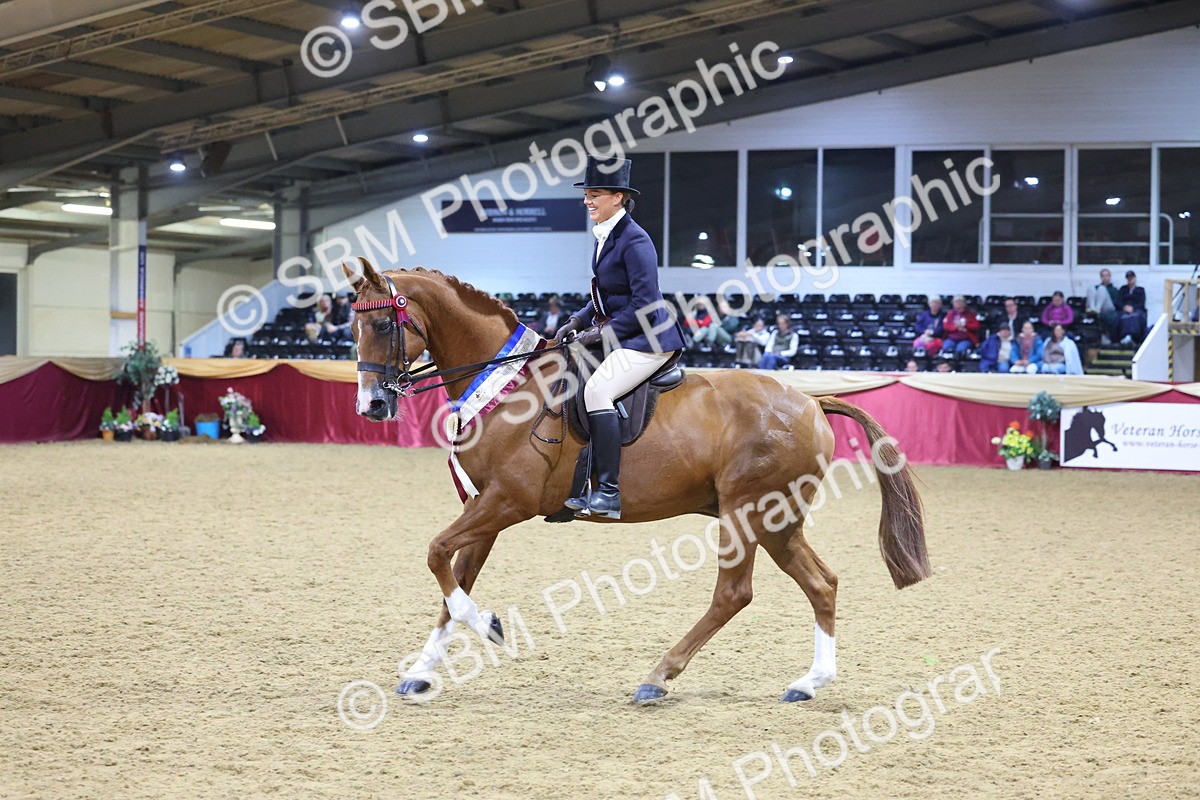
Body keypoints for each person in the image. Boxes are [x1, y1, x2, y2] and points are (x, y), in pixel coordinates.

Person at [553, 156, 688, 520]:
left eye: (594, 194)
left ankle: (609, 492)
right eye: (586, 194)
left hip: (650, 339)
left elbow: (644, 304)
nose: (587, 201)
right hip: (625, 332)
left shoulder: (635, 241)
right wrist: (577, 319)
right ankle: (579, 482)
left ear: (618, 197)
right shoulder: (605, 235)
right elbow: (605, 293)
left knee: (599, 391)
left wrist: (599, 333)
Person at [1086, 269, 1120, 344]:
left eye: (1107, 275)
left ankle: (1096, 310)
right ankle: (1093, 309)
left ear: (1110, 277)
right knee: (1091, 288)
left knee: (1102, 289)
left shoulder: (1114, 290)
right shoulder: (1096, 287)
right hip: (1094, 306)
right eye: (1103, 276)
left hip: (1108, 308)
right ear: (1100, 277)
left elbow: (1116, 303)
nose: (1105, 277)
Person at [1117, 270, 1147, 345]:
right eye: (1128, 278)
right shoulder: (1123, 289)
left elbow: (1141, 303)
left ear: (1135, 278)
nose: (1130, 279)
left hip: (1137, 309)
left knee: (1135, 316)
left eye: (1132, 277)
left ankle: (1133, 337)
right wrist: (1124, 307)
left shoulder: (1140, 290)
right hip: (1124, 309)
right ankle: (1124, 336)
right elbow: (1118, 301)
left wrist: (1133, 308)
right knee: (1123, 317)